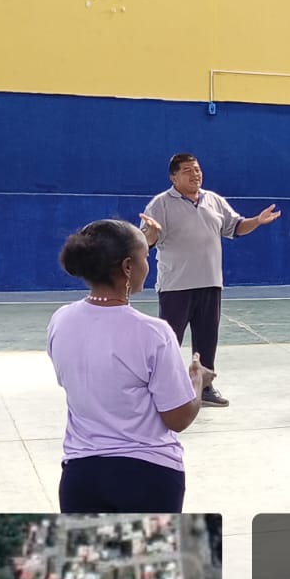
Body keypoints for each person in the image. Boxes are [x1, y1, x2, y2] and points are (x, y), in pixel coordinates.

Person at [48, 220, 212, 513]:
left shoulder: (61, 320)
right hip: (148, 476)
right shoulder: (153, 333)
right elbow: (178, 418)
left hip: (80, 478)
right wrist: (197, 381)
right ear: (127, 266)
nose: (147, 267)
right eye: (145, 257)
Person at [140, 152, 281, 408]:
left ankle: (204, 387)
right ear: (173, 178)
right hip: (176, 286)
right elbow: (147, 241)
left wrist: (257, 221)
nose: (195, 174)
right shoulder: (160, 204)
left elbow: (235, 227)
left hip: (210, 283)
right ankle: (162, 388)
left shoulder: (214, 200)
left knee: (207, 340)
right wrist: (151, 232)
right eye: (187, 170)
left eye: (197, 169)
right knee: (169, 340)